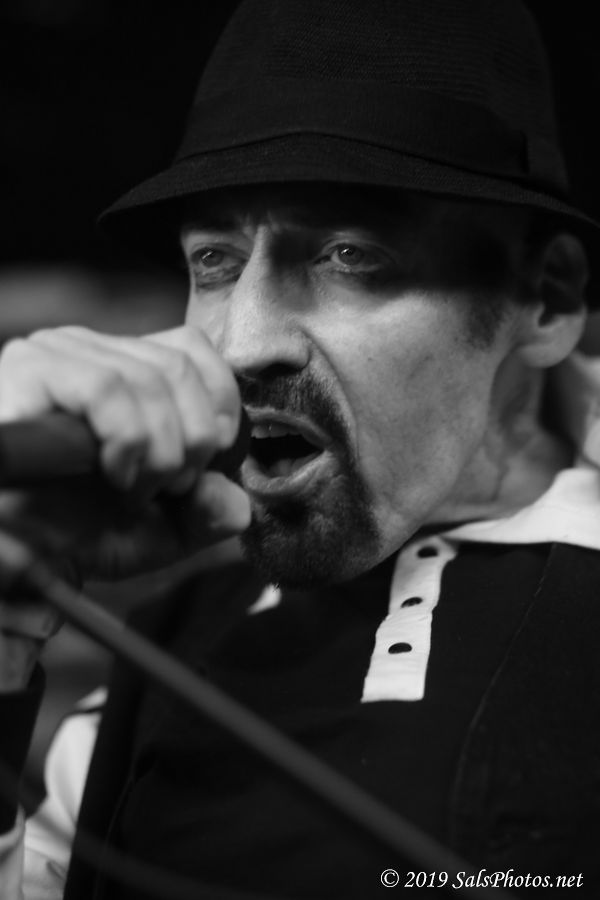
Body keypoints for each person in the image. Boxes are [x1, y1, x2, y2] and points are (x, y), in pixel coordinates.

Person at [1, 0, 599, 896]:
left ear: (546, 299)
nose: (244, 345)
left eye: (349, 255)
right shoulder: (149, 671)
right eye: (215, 261)